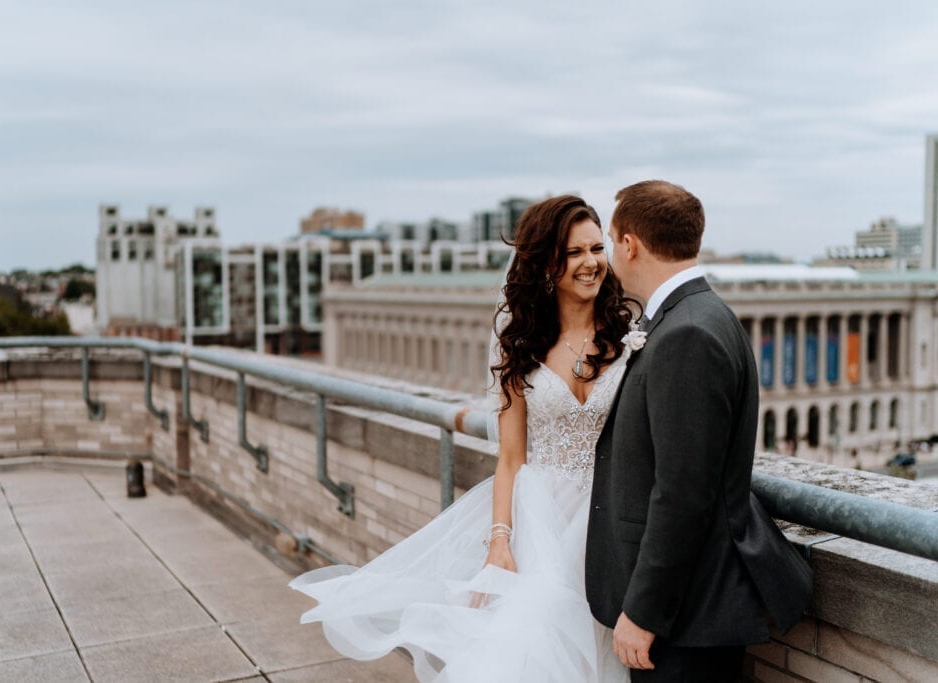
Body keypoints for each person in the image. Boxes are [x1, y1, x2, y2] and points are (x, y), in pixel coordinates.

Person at [290, 195, 635, 681]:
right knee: (530, 649)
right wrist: (500, 542)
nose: (590, 263)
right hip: (543, 519)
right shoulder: (522, 346)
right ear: (546, 263)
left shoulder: (629, 337)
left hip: (609, 517)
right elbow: (511, 459)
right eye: (574, 252)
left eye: (597, 249)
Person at [585, 180, 813, 681]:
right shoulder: (697, 315)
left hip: (684, 618)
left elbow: (683, 493)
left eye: (609, 238)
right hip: (689, 612)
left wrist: (644, 612)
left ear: (630, 244)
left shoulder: (686, 332)